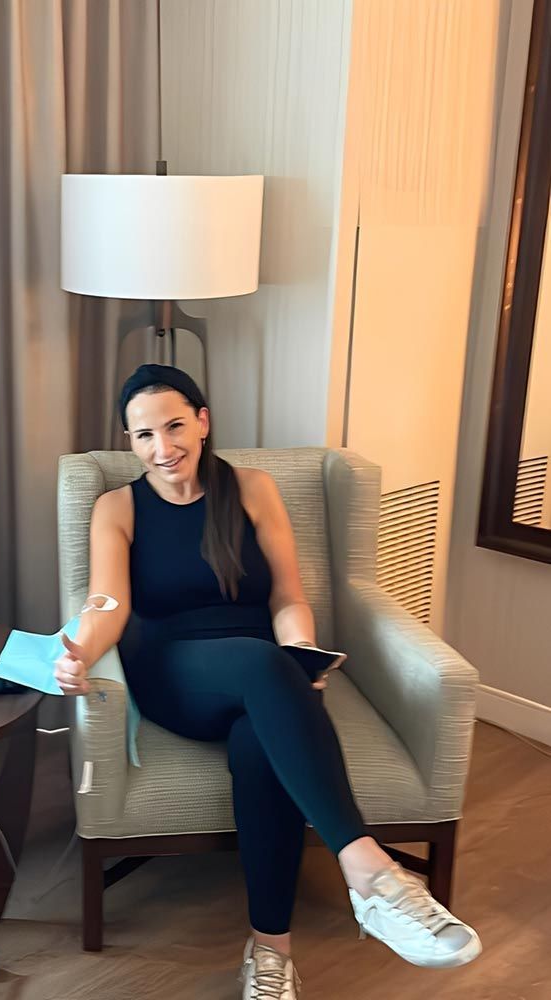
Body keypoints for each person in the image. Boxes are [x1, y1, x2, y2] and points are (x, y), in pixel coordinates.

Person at [54, 364, 482, 997]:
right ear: (129, 440)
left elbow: (286, 594)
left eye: (174, 426)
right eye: (143, 435)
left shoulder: (252, 489)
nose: (162, 447)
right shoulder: (118, 506)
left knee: (261, 748)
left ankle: (271, 952)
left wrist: (301, 653)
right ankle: (369, 870)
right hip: (175, 672)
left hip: (264, 672)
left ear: (202, 421)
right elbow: (106, 604)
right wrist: (78, 652)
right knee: (262, 665)